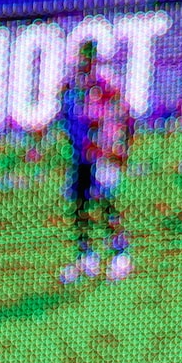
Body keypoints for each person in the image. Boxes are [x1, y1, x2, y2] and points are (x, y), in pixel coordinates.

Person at [57, 41, 133, 285]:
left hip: (103, 154)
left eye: (88, 57)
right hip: (80, 156)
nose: (84, 62)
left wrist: (121, 149)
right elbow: (67, 117)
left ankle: (120, 254)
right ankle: (85, 257)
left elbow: (123, 116)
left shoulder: (105, 84)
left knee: (106, 204)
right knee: (79, 206)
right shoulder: (73, 85)